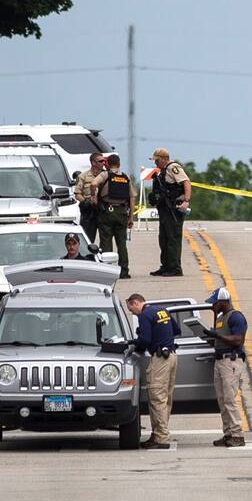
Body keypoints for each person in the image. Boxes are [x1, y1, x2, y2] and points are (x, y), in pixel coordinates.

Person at [126, 293, 181, 449]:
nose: (133, 313)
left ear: (135, 303)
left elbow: (145, 341)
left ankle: (161, 438)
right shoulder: (162, 310)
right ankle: (158, 433)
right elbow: (176, 330)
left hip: (159, 359)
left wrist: (132, 342)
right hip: (172, 356)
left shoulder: (144, 315)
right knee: (165, 398)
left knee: (157, 397)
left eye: (131, 309)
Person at [202, 286, 248, 447]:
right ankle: (228, 433)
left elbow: (237, 340)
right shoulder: (221, 318)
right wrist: (210, 337)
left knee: (229, 399)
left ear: (223, 302)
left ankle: (237, 434)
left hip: (231, 361)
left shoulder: (236, 317)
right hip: (220, 360)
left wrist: (218, 335)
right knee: (222, 400)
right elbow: (220, 339)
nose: (212, 306)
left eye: (215, 303)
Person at [91, 154, 138, 279]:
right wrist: (131, 217)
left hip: (107, 211)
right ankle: (124, 271)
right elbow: (132, 197)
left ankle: (108, 271)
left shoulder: (105, 175)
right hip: (122, 212)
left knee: (106, 242)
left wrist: (93, 196)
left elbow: (94, 183)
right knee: (121, 243)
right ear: (119, 164)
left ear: (107, 164)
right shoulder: (125, 177)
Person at [149, 148, 191, 277]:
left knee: (173, 238)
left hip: (173, 208)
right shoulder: (162, 171)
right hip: (165, 209)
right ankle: (166, 266)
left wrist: (186, 200)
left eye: (157, 160)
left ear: (163, 158)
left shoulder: (173, 167)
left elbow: (186, 182)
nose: (155, 163)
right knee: (164, 238)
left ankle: (175, 268)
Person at [73, 152, 105, 243]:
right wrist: (86, 202)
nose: (103, 163)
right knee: (88, 239)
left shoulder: (106, 175)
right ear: (93, 162)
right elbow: (77, 193)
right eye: (101, 161)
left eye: (104, 161)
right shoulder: (83, 176)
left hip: (102, 210)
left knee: (105, 239)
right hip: (89, 211)